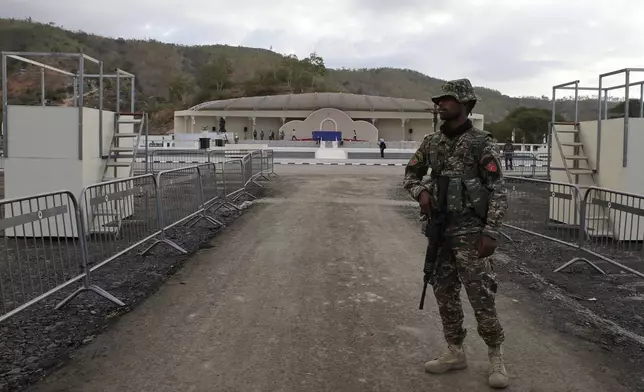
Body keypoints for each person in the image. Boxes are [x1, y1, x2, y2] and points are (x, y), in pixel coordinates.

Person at [403, 78, 509, 389]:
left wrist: (490, 231)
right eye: (438, 100)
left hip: (471, 233)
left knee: (480, 295)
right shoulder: (430, 142)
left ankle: (495, 355)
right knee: (444, 292)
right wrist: (421, 191)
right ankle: (455, 351)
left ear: (464, 104)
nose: (440, 104)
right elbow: (410, 174)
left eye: (447, 99)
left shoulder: (481, 144)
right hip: (440, 232)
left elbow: (498, 191)